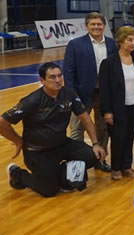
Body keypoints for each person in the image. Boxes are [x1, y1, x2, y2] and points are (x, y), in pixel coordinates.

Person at [3, 63, 106, 197]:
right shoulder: (32, 100)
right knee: (49, 191)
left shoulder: (68, 93)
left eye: (59, 76)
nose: (57, 80)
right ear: (42, 80)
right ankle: (17, 174)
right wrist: (17, 141)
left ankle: (62, 179)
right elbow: (2, 122)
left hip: (62, 144)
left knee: (94, 155)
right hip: (38, 151)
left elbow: (85, 118)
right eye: (52, 77)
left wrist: (96, 144)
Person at [63, 12, 115, 172]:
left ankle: (100, 159)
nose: (96, 27)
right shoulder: (75, 44)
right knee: (77, 128)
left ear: (104, 26)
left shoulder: (112, 44)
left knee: (103, 128)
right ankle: (75, 164)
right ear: (86, 26)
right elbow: (68, 71)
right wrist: (72, 95)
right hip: (81, 94)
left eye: (99, 24)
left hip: (104, 93)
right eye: (93, 24)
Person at [99, 26, 134, 180]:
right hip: (117, 107)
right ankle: (116, 167)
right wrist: (107, 111)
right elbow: (104, 89)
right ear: (120, 41)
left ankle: (126, 166)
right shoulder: (108, 63)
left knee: (129, 137)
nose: (133, 43)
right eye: (129, 40)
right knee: (118, 138)